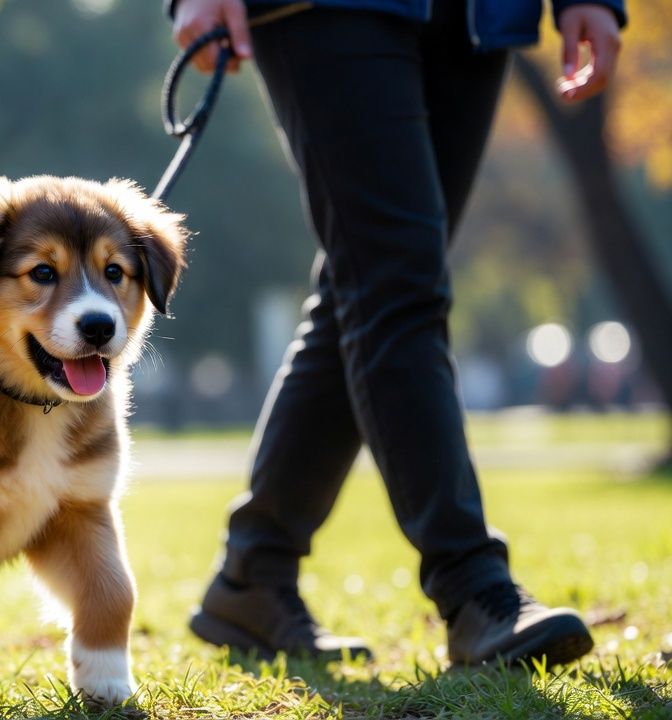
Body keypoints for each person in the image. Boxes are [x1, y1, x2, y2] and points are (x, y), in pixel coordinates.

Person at [168, 0, 624, 665]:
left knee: (373, 281)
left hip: (475, 12)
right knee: (394, 280)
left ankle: (252, 575)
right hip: (327, 8)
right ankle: (471, 586)